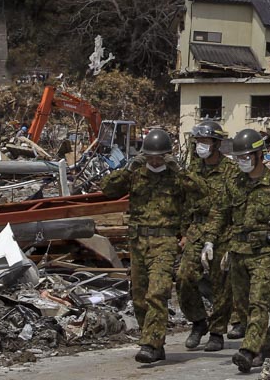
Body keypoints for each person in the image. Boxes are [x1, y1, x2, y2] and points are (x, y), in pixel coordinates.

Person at [102, 128, 203, 364]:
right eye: (150, 156)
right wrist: (128, 168)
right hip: (138, 242)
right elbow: (107, 189)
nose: (155, 161)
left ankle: (150, 343)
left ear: (167, 155)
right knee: (139, 297)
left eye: (160, 157)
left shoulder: (176, 177)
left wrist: (178, 168)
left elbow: (201, 191)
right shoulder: (136, 174)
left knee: (157, 293)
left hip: (165, 241)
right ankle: (156, 342)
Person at [210, 128, 270, 373]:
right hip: (238, 250)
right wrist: (210, 240)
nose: (242, 162)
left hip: (263, 251)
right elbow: (220, 213)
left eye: (246, 157)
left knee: (258, 303)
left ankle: (248, 351)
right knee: (241, 306)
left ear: (260, 155)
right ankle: (263, 349)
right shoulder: (235, 183)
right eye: (239, 158)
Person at [173, 120, 240, 352]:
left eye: (206, 141)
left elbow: (236, 205)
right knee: (184, 278)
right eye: (198, 141)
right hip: (196, 230)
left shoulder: (231, 171)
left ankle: (217, 331)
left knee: (221, 283)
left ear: (216, 143)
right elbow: (184, 203)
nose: (201, 145)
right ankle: (198, 321)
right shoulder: (192, 170)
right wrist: (182, 233)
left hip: (223, 232)